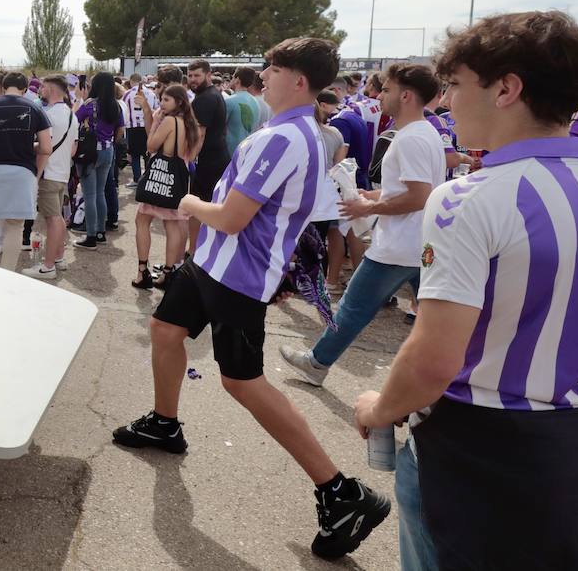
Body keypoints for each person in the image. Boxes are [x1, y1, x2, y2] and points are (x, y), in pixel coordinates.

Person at [353, 11, 578, 571]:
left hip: (474, 453)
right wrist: (569, 388)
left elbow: (434, 359)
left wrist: (380, 408)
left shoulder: (469, 199)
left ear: (507, 88)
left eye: (455, 85)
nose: (445, 101)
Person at [112, 37, 391, 561]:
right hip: (213, 265)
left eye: (273, 67)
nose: (262, 73)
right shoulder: (297, 130)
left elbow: (234, 217)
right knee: (165, 329)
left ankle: (340, 491)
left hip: (237, 274)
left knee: (243, 382)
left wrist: (191, 201)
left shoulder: (284, 137)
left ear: (299, 80)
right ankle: (165, 421)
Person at [280, 63, 446, 386]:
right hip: (418, 245)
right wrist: (375, 194)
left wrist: (368, 205)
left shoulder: (410, 138)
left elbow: (418, 195)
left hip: (397, 246)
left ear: (406, 95)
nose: (379, 95)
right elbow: (413, 188)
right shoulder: (425, 133)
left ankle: (316, 363)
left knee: (352, 308)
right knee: (432, 317)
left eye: (386, 90)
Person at [0, 71, 52, 270]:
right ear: (25, 89)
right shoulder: (35, 109)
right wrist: (28, 145)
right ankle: (8, 272)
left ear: (4, 86)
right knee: (15, 225)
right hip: (22, 172)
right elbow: (46, 148)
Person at [131, 85, 199, 290]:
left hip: (159, 179)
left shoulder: (170, 121)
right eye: (161, 99)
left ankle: (143, 271)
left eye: (166, 100)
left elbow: (151, 145)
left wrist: (155, 120)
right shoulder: (191, 124)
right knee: (173, 225)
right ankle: (169, 273)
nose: (161, 104)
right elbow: (192, 155)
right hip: (177, 182)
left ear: (179, 102)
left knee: (141, 220)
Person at [26, 76, 76, 279]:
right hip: (63, 171)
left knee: (52, 218)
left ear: (49, 88)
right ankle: (58, 257)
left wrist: (36, 175)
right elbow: (73, 148)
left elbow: (44, 148)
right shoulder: (72, 115)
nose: (40, 90)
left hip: (49, 171)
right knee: (58, 217)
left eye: (43, 87)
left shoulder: (47, 115)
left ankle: (47, 266)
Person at [185, 59, 229, 263]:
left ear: (208, 75)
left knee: (196, 208)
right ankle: (196, 253)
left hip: (209, 163)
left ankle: (193, 254)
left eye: (197, 75)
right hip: (215, 160)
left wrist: (189, 159)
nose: (193, 80)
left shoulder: (206, 99)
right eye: (190, 75)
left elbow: (199, 134)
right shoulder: (210, 95)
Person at [74, 72, 122, 250]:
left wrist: (79, 100)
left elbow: (74, 119)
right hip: (108, 151)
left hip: (89, 153)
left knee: (90, 195)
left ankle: (91, 236)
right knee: (100, 193)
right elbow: (120, 130)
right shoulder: (116, 106)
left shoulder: (89, 105)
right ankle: (101, 232)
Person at [122, 72, 157, 186]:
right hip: (147, 126)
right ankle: (148, 179)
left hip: (133, 127)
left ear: (132, 81)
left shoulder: (127, 94)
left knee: (135, 155)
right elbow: (155, 109)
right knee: (147, 154)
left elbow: (123, 109)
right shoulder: (151, 93)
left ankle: (137, 179)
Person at [223, 66, 261, 153]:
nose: (231, 80)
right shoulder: (255, 101)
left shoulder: (229, 101)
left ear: (237, 80)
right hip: (248, 151)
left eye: (232, 77)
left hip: (230, 152)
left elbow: (219, 129)